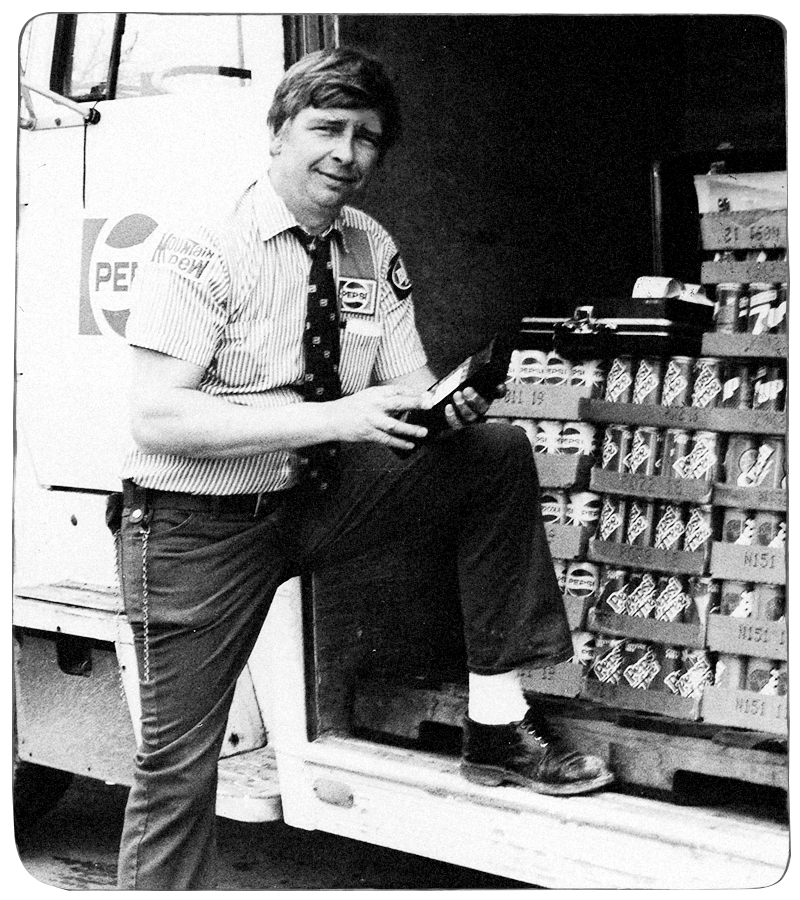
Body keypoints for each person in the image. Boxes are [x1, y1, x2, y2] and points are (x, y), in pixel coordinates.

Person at [115, 46, 613, 890]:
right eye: (326, 129)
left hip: (316, 496)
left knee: (489, 453)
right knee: (178, 769)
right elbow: (156, 416)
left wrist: (443, 410)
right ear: (276, 135)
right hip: (198, 520)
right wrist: (335, 418)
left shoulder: (369, 244)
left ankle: (495, 723)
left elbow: (406, 384)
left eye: (368, 138)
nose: (346, 154)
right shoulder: (200, 244)